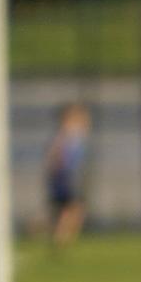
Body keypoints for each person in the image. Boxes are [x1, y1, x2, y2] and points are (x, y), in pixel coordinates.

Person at [43, 102, 90, 253]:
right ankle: (59, 239)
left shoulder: (74, 134)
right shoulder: (65, 135)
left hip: (69, 176)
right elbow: (54, 156)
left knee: (74, 210)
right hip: (67, 177)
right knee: (71, 209)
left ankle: (63, 239)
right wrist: (56, 170)